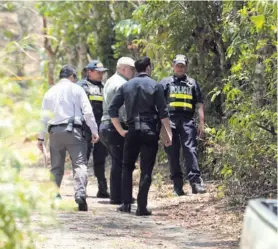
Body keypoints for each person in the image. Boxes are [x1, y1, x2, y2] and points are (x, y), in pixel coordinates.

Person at [108, 57, 172, 216]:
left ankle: (126, 204)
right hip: (150, 131)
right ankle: (141, 206)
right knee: (146, 170)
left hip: (132, 131)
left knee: (127, 167)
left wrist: (121, 130)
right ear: (149, 67)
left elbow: (112, 110)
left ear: (136, 69)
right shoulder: (155, 85)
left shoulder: (126, 85)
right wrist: (168, 134)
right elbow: (164, 113)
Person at [37, 65, 99, 211]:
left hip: (55, 133)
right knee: (79, 164)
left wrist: (40, 139)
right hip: (74, 132)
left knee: (56, 167)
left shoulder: (50, 92)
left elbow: (43, 118)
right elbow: (88, 112)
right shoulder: (77, 89)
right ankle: (80, 194)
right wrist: (94, 130)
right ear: (72, 76)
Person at [159, 54, 206, 196]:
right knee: (172, 153)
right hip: (170, 122)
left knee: (190, 151)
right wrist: (161, 125)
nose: (180, 68)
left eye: (182, 65)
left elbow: (199, 104)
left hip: (187, 121)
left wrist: (202, 123)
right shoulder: (165, 83)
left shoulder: (192, 83)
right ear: (173, 65)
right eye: (178, 65)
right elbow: (159, 105)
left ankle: (195, 183)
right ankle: (177, 186)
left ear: (186, 66)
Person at [100, 57, 136, 205]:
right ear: (122, 69)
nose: (133, 72)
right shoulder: (121, 84)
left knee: (117, 161)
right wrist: (129, 124)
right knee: (121, 162)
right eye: (131, 69)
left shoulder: (110, 81)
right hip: (115, 126)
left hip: (106, 125)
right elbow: (121, 109)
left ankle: (117, 195)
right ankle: (119, 196)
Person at [77, 60, 110, 198]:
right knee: (83, 159)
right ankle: (80, 189)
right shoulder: (80, 86)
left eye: (102, 72)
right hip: (85, 128)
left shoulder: (104, 87)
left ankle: (102, 187)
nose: (101, 74)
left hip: (100, 127)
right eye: (98, 72)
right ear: (89, 72)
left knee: (100, 158)